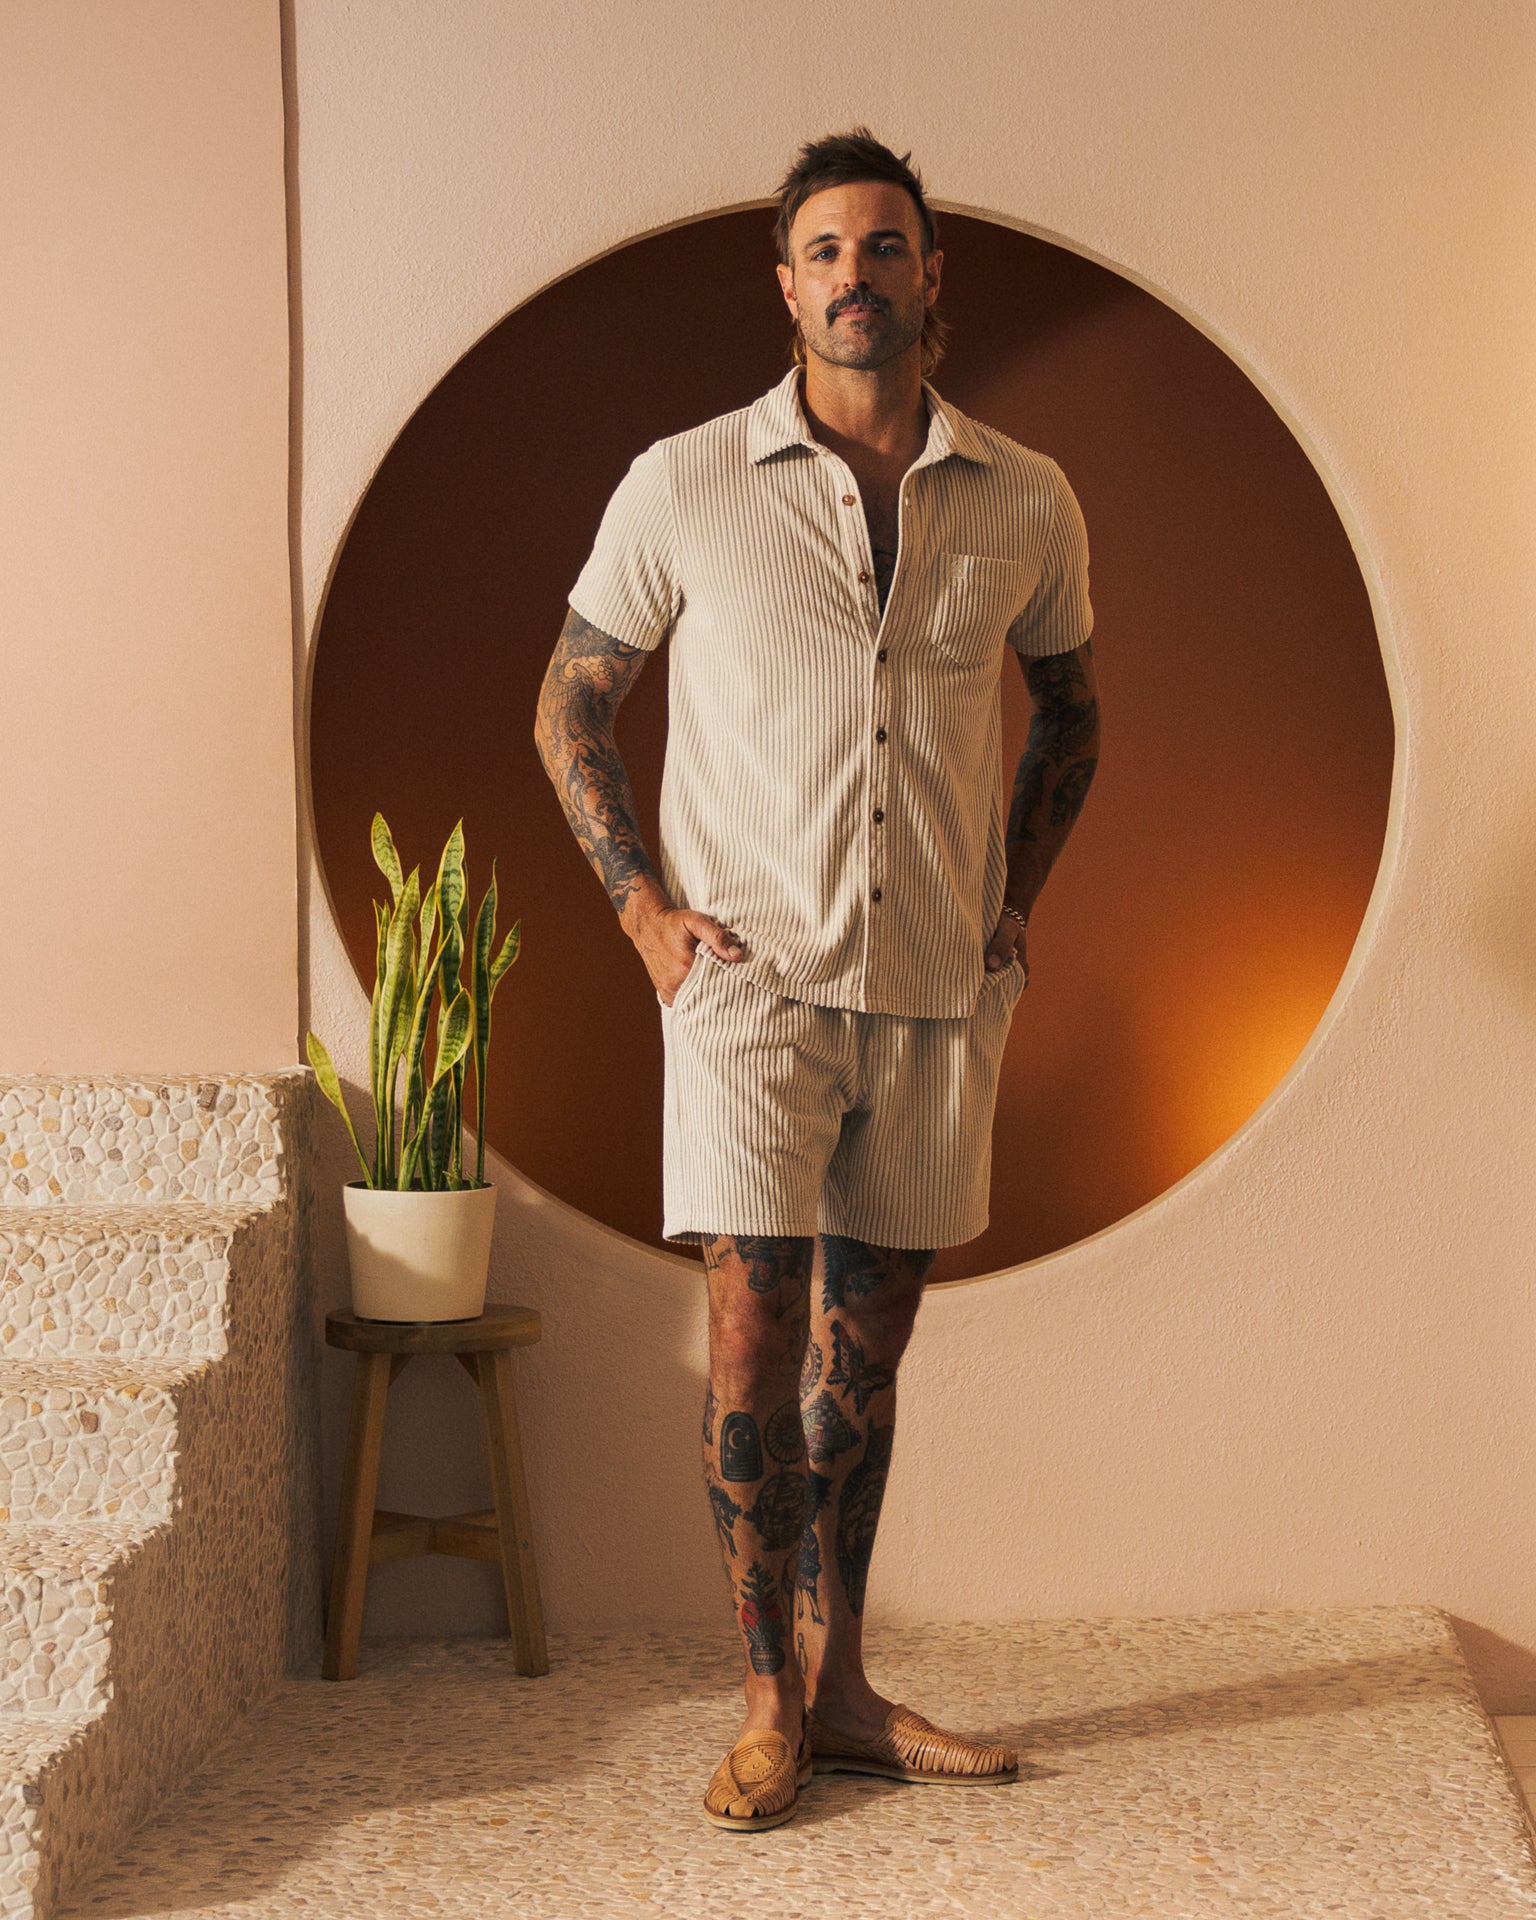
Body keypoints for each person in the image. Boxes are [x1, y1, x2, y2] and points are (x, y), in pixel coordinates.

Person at [534, 127, 1099, 1833]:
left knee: (868, 1359)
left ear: (936, 277)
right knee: (754, 1331)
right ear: (787, 289)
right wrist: (644, 915)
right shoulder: (685, 477)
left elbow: (1072, 712)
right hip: (749, 988)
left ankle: (846, 1685)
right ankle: (770, 1700)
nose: (859, 274)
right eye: (827, 252)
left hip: (932, 987)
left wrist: (1012, 902)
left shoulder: (1027, 495)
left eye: (888, 247)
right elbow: (570, 702)